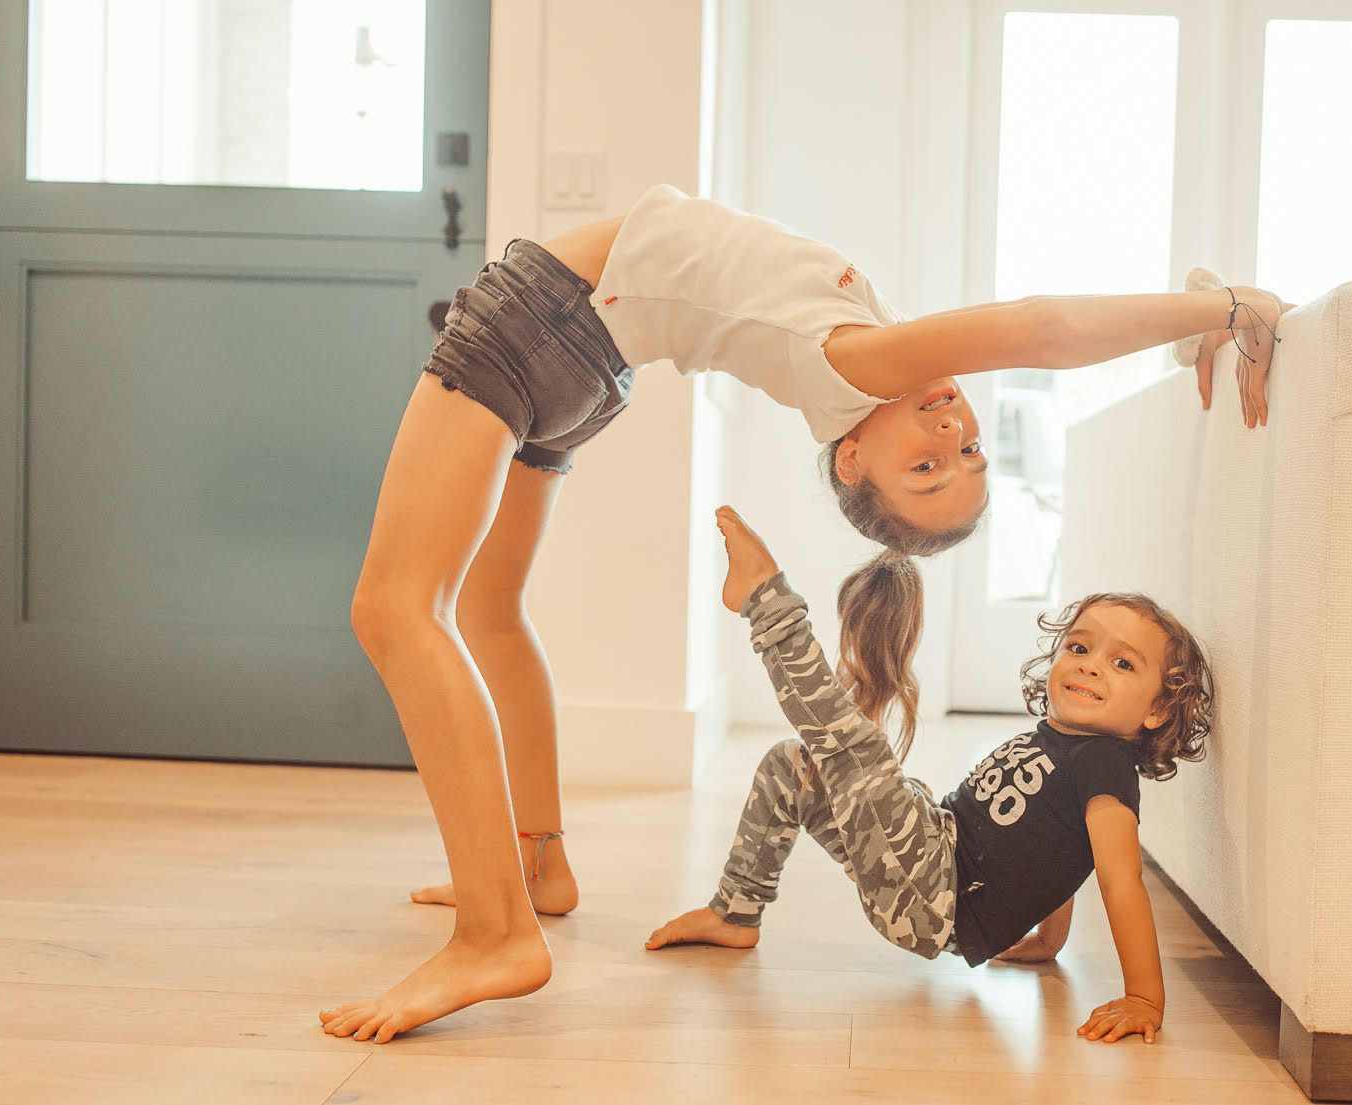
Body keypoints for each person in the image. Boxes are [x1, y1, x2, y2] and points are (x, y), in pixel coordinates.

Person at [320, 183, 1284, 1043]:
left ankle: (495, 930)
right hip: (591, 364)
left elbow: (1043, 329)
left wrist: (1232, 306)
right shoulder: (876, 346)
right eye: (964, 453)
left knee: (395, 608)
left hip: (544, 324)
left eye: (927, 466)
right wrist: (1198, 304)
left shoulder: (862, 364)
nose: (953, 433)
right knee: (486, 607)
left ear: (853, 458)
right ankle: (535, 864)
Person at [647, 507, 1214, 1046]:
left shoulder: (1105, 765)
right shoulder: (1061, 742)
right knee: (793, 765)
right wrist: (1049, 939)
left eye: (1122, 663)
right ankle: (735, 911)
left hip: (936, 895)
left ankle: (766, 603)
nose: (1090, 663)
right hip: (931, 851)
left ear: (1157, 710)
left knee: (852, 747)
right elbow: (1055, 850)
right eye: (1080, 646)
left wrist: (1144, 997)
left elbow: (1121, 880)